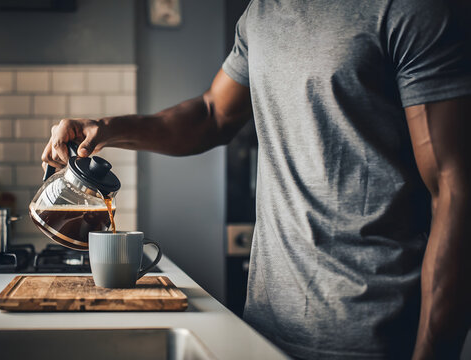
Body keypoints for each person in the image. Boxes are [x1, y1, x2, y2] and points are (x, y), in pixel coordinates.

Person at [41, 0, 471, 358]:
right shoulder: (262, 14)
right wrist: (105, 127)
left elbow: (455, 189)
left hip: (374, 335)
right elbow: (212, 114)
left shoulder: (411, 9)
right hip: (264, 329)